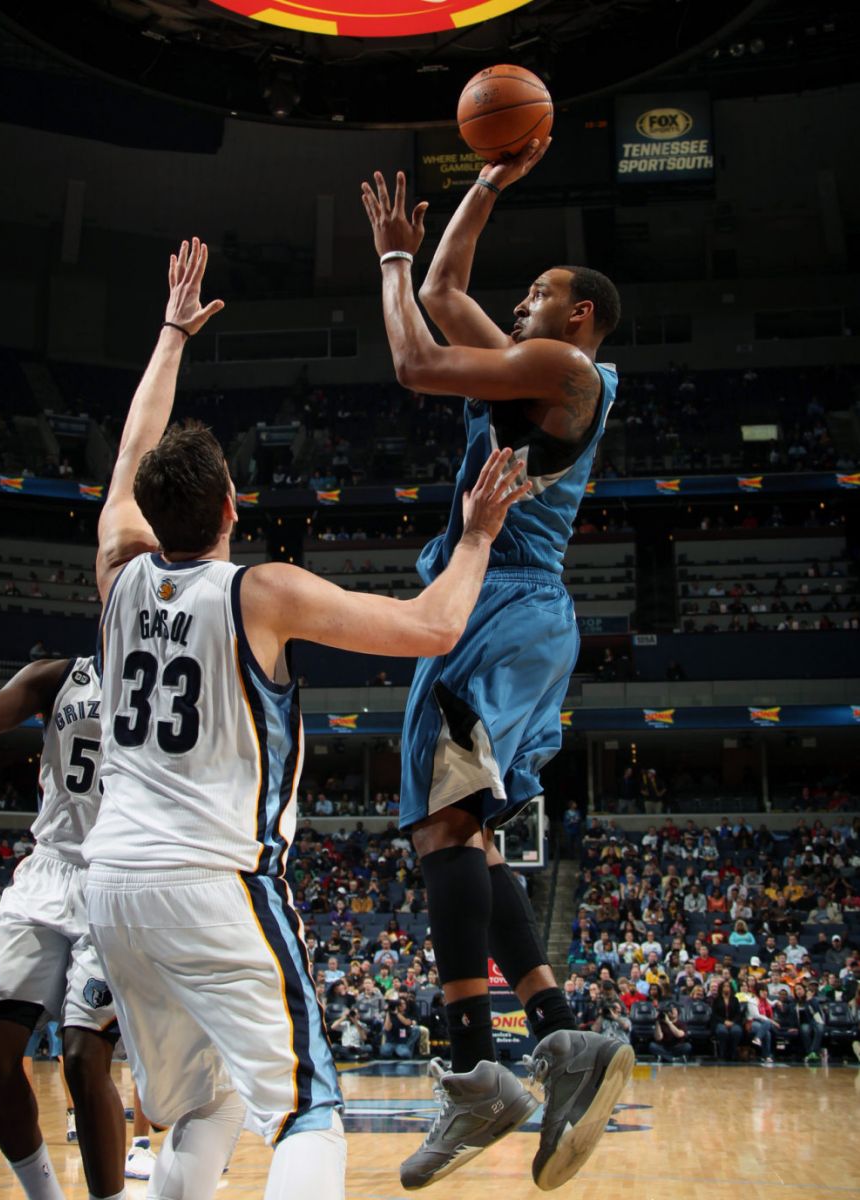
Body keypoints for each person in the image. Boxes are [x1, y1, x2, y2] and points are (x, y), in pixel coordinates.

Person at [80, 238, 529, 1200]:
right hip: (215, 881)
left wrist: (169, 337)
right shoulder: (260, 592)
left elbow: (128, 457)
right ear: (235, 505)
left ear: (149, 516)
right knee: (306, 1110)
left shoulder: (116, 574)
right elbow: (433, 624)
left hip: (111, 886)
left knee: (200, 1106)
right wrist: (482, 534)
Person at [361, 144, 631, 1194]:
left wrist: (386, 261)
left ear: (578, 318)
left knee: (441, 823)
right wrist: (484, 185)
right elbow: (446, 291)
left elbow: (416, 355)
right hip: (504, 609)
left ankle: (478, 1069)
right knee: (463, 829)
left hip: (503, 602)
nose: (519, 301)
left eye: (539, 291)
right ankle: (559, 1038)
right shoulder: (536, 367)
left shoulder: (563, 374)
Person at [0, 656, 126, 1200]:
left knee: (84, 1058)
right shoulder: (60, 676)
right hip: (50, 866)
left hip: (120, 877)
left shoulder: (179, 669)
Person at [711, 980, 744, 1060]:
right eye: (724, 986)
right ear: (721, 988)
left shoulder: (735, 999)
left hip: (733, 1022)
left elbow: (738, 1014)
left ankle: (733, 1053)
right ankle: (722, 1054)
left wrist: (732, 1022)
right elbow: (714, 1015)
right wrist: (724, 1021)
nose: (726, 988)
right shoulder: (716, 1000)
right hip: (720, 1022)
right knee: (722, 1031)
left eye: (728, 986)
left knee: (736, 1031)